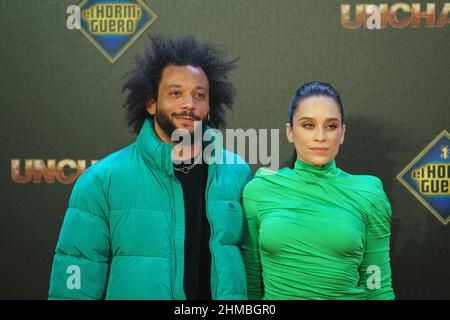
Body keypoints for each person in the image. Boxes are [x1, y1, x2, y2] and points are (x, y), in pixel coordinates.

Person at [48, 34, 252, 300]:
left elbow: (255, 271)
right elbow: (74, 283)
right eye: (176, 93)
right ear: (151, 103)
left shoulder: (238, 173)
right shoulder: (102, 180)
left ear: (210, 106)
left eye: (199, 95)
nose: (189, 104)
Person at [241, 81, 395, 300]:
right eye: (308, 125)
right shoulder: (260, 191)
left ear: (342, 133)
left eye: (331, 126)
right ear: (290, 132)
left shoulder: (369, 193)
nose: (320, 136)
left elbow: (377, 284)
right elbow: (252, 281)